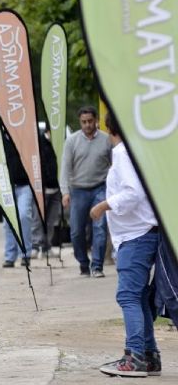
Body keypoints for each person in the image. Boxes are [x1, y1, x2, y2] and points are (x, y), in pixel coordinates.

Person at [91, 112, 160, 377]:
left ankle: (135, 357)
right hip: (143, 231)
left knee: (128, 295)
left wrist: (103, 205)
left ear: (109, 129)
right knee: (140, 296)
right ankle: (149, 355)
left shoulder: (122, 153)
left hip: (135, 234)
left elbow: (132, 192)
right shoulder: (137, 151)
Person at [60, 105, 112, 277]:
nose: (87, 125)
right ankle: (83, 263)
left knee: (100, 227)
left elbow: (115, 165)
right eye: (84, 122)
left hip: (100, 187)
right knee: (76, 231)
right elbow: (65, 168)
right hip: (78, 190)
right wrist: (65, 192)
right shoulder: (72, 141)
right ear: (80, 122)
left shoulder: (106, 140)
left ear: (96, 120)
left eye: (90, 121)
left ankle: (97, 266)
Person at [1, 130, 35, 268]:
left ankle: (25, 254)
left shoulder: (26, 136)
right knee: (8, 221)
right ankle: (10, 256)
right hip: (6, 186)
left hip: (25, 184)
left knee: (23, 216)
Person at [30, 128, 61, 259]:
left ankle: (46, 246)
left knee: (50, 220)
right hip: (42, 187)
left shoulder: (57, 144)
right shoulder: (39, 143)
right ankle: (35, 246)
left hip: (55, 188)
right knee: (38, 219)